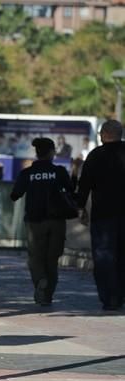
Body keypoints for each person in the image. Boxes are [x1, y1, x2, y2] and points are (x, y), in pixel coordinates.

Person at [10, 137, 73, 306]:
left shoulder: (27, 173)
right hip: (57, 221)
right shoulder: (59, 171)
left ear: (37, 153)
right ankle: (47, 296)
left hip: (34, 222)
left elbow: (15, 195)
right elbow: (71, 190)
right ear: (52, 152)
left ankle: (40, 280)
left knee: (35, 258)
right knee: (52, 259)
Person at [76, 119, 125, 311]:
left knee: (104, 256)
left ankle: (109, 296)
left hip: (104, 215)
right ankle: (121, 293)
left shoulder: (96, 155)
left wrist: (80, 207)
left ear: (104, 135)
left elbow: (84, 184)